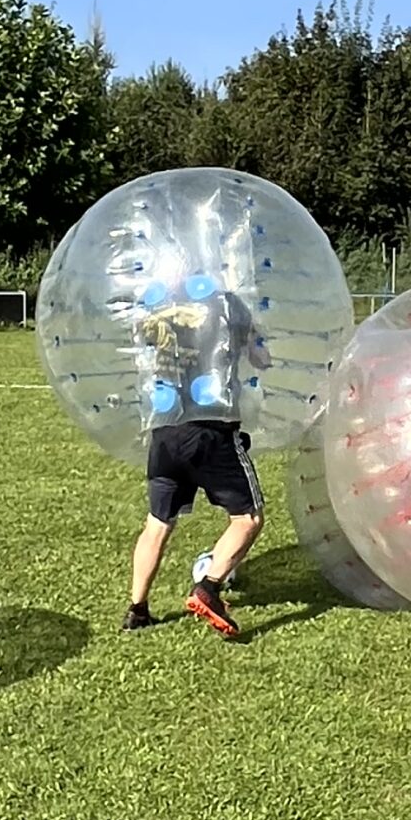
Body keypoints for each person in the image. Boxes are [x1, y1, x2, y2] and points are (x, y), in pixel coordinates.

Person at [123, 272, 270, 639]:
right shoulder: (227, 304)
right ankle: (210, 587)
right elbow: (261, 358)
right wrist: (253, 338)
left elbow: (138, 344)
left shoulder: (160, 305)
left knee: (157, 523)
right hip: (211, 429)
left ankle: (137, 611)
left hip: (164, 429)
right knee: (248, 519)